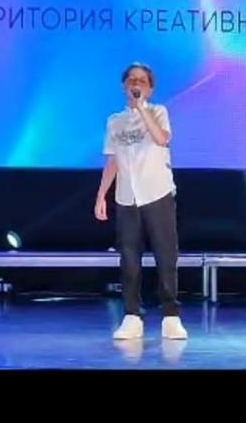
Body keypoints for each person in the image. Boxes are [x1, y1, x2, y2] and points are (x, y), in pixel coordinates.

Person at [94, 62, 187, 340]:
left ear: (150, 88)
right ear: (124, 85)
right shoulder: (115, 121)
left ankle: (171, 316)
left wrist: (142, 108)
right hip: (127, 197)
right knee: (129, 258)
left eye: (142, 81)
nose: (136, 84)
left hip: (157, 193)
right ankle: (132, 315)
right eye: (131, 80)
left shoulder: (158, 112)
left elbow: (161, 139)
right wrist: (101, 195)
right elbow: (113, 160)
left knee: (165, 255)